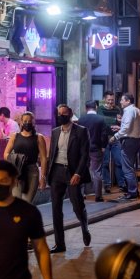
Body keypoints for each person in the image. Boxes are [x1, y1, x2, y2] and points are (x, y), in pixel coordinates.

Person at [46, 104, 91, 253]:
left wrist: (78, 173)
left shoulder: (81, 131)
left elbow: (85, 155)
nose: (61, 116)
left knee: (77, 204)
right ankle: (60, 244)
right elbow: (52, 154)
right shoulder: (55, 132)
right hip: (56, 172)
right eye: (59, 114)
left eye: (64, 114)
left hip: (72, 172)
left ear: (70, 114)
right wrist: (46, 174)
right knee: (56, 209)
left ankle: (84, 226)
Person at [4, 112, 48, 204]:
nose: (27, 123)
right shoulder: (14, 136)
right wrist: (15, 160)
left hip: (32, 171)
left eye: (29, 121)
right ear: (21, 122)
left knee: (26, 202)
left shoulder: (39, 138)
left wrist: (43, 177)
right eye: (25, 121)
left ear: (33, 122)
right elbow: (5, 154)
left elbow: (44, 158)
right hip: (17, 172)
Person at [112, 93, 140, 201]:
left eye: (122, 100)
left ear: (128, 101)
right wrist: (120, 126)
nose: (120, 102)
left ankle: (132, 193)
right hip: (135, 140)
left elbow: (126, 129)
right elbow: (129, 126)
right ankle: (134, 191)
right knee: (130, 167)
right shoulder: (136, 110)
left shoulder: (129, 111)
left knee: (127, 168)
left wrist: (115, 136)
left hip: (129, 141)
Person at [77, 100, 108, 202]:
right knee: (97, 171)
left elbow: (78, 135)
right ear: (96, 107)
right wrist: (103, 146)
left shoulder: (81, 119)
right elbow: (104, 135)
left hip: (82, 149)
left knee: (81, 170)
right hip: (96, 148)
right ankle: (98, 196)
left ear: (86, 108)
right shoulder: (100, 119)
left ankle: (81, 194)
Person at [98, 91, 124, 192]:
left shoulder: (117, 108)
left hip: (115, 138)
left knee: (119, 161)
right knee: (105, 163)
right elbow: (101, 120)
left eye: (112, 100)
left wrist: (117, 124)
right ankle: (107, 184)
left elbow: (120, 121)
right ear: (104, 99)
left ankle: (121, 184)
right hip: (104, 138)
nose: (110, 102)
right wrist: (114, 119)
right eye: (108, 100)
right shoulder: (100, 109)